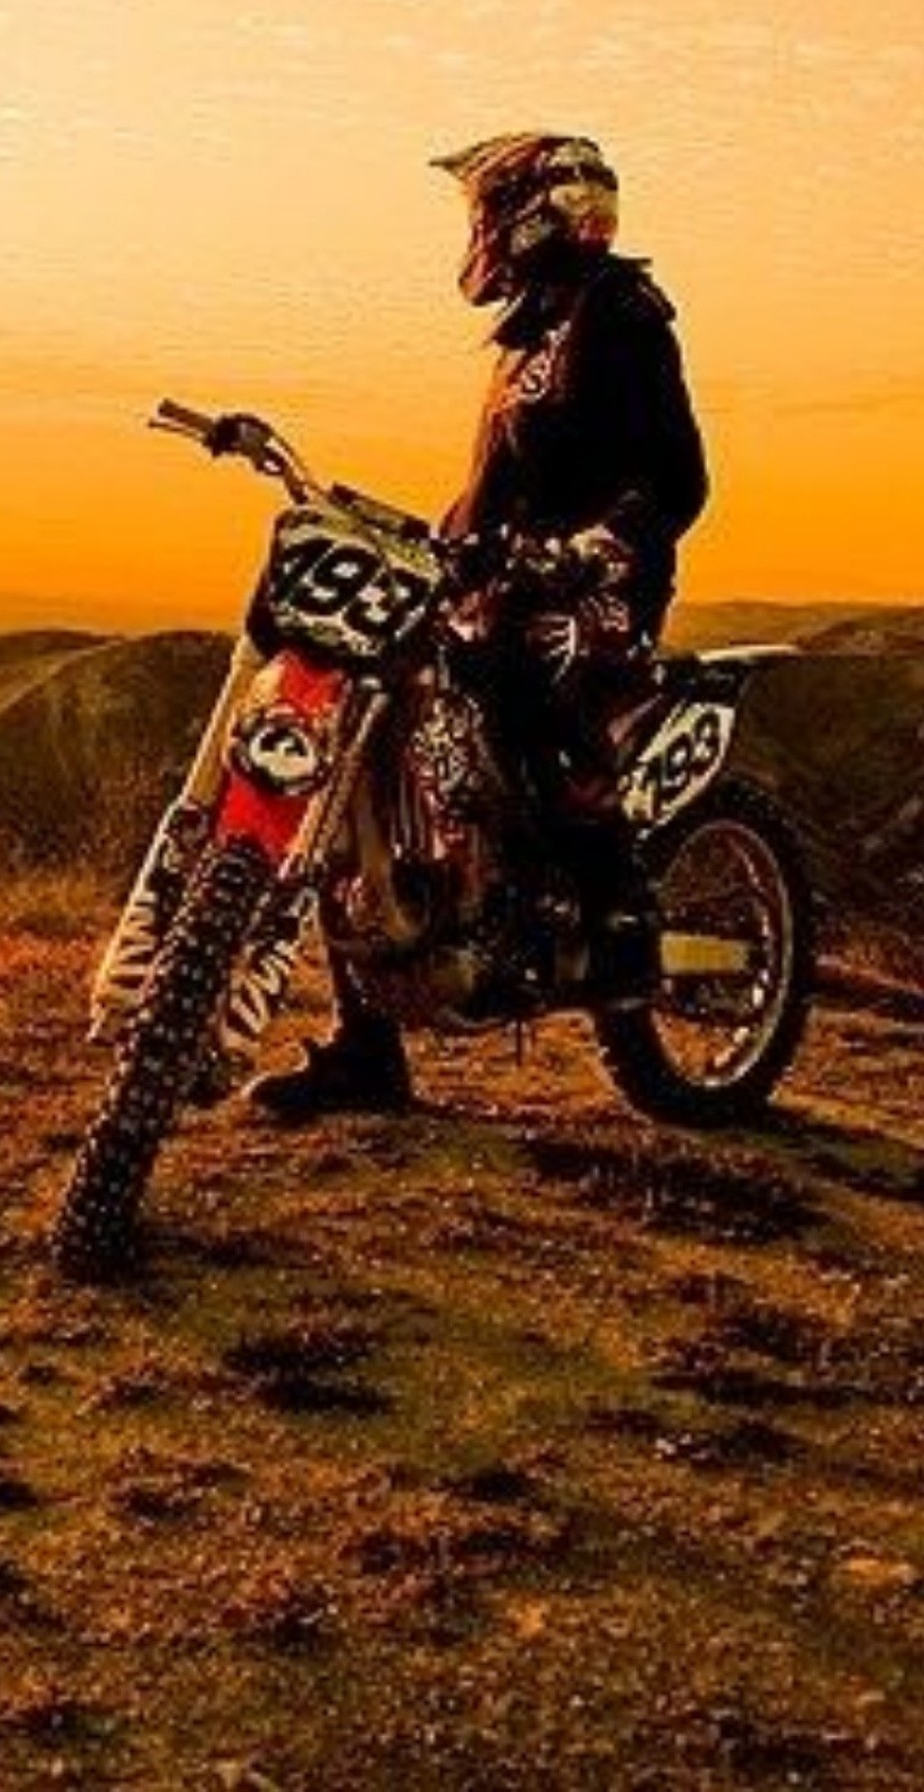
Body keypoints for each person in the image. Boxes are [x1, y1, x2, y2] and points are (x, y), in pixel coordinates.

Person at [248, 130, 709, 1121]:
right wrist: (433, 544)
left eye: (486, 213)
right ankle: (370, 1045)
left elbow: (675, 478)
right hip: (503, 581)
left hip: (591, 591)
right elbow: (488, 492)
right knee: (365, 751)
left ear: (527, 215)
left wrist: (591, 549)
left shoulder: (622, 318)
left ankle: (617, 918)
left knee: (527, 700)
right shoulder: (529, 332)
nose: (479, 233)